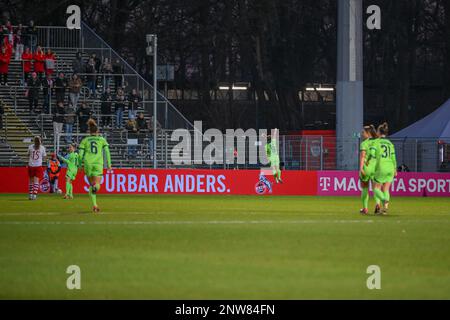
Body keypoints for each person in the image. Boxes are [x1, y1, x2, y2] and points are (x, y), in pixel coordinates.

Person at [78, 119, 112, 212]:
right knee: (97, 185)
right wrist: (109, 164)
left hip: (88, 163)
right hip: (98, 164)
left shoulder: (85, 140)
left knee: (91, 184)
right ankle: (95, 187)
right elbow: (107, 152)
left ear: (90, 131)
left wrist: (79, 165)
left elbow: (80, 154)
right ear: (97, 131)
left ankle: (95, 205)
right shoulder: (102, 139)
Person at [373, 123, 397, 214]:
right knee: (386, 189)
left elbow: (372, 154)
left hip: (381, 166)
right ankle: (385, 209)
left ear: (378, 132)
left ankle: (383, 200)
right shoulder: (390, 143)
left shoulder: (376, 142)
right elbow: (393, 157)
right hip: (390, 167)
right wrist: (395, 169)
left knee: (376, 188)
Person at [358, 125, 378, 215]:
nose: (362, 134)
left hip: (366, 168)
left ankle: (365, 208)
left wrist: (361, 168)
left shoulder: (364, 143)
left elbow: (362, 157)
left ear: (368, 133)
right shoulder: (378, 142)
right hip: (376, 168)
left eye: (363, 132)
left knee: (365, 188)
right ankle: (378, 204)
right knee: (376, 189)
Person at [27, 136, 47, 200]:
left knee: (30, 181)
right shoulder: (42, 148)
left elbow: (27, 154)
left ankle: (30, 195)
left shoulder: (30, 147)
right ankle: (34, 195)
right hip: (38, 165)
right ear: (40, 141)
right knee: (36, 181)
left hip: (31, 165)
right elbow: (44, 157)